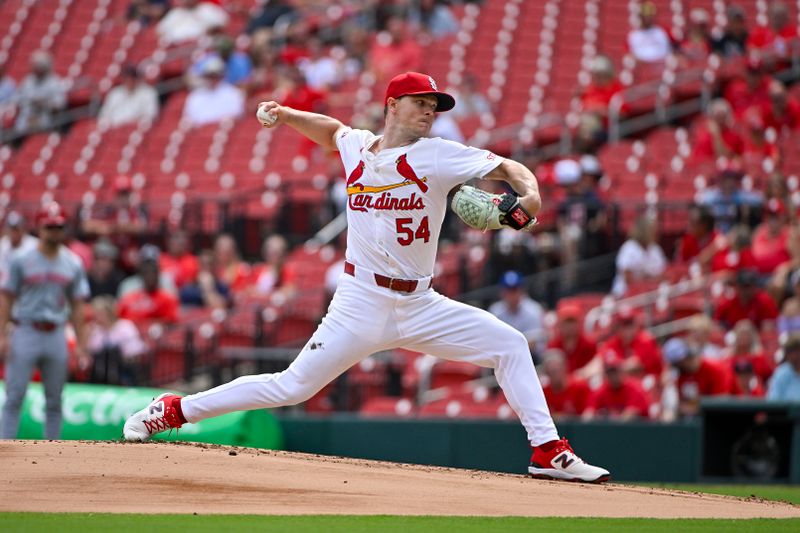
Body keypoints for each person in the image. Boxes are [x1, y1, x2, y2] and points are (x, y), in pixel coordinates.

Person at [123, 70, 610, 483]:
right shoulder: (358, 146)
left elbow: (509, 166)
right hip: (359, 300)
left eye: (434, 106)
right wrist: (288, 114)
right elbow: (331, 130)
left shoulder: (438, 153)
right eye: (420, 103)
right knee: (292, 387)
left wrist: (530, 197)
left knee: (510, 345)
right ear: (392, 105)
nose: (429, 112)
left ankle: (548, 452)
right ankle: (174, 409)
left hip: (420, 304)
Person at [0, 202, 89, 439]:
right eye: (49, 226)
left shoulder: (72, 262)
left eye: (58, 227)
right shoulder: (20, 259)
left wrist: (81, 345)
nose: (54, 232)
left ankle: (52, 452)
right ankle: (4, 449)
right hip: (25, 329)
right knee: (14, 396)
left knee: (54, 399)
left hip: (56, 332)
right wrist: (2, 334)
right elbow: (6, 297)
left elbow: (78, 306)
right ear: (39, 227)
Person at [663, 337, 731, 418]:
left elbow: (721, 401)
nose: (678, 366)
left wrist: (695, 408)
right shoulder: (682, 375)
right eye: (676, 364)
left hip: (719, 418)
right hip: (695, 420)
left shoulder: (714, 369)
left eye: (679, 362)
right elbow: (682, 403)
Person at [87, 295, 148, 385]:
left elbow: (134, 352)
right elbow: (91, 351)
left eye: (100, 313)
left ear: (109, 312)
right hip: (100, 375)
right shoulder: (96, 330)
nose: (96, 316)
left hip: (123, 372)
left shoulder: (125, 326)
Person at [488, 271, 547, 360]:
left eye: (514, 290)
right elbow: (491, 340)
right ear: (502, 292)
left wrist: (506, 345)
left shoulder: (534, 309)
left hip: (530, 357)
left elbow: (533, 343)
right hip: (502, 357)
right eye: (508, 290)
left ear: (522, 290)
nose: (512, 294)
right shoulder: (495, 311)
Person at [582, 350, 651, 421]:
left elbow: (631, 416)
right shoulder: (600, 391)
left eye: (615, 371)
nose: (613, 376)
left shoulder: (635, 388)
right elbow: (588, 414)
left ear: (622, 370)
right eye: (610, 372)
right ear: (605, 374)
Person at [117, 247, 179, 324]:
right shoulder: (130, 294)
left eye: (153, 272)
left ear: (158, 274)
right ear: (141, 274)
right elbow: (121, 317)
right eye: (146, 273)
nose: (150, 276)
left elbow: (172, 321)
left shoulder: (167, 296)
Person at [611, 214, 667, 297]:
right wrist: (648, 282)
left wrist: (648, 282)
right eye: (651, 230)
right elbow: (628, 279)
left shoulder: (655, 249)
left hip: (650, 294)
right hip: (625, 294)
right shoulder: (629, 248)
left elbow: (662, 276)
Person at [13, 51, 66, 135]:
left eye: (39, 66)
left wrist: (44, 103)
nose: (36, 68)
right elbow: (17, 100)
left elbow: (59, 104)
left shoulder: (54, 82)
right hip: (25, 122)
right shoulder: (28, 81)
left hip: (45, 121)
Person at [182, 57, 244, 126]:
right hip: (200, 132)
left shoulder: (234, 93)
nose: (212, 79)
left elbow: (236, 115)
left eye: (215, 75)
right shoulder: (195, 96)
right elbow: (189, 118)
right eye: (209, 75)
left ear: (221, 76)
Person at [714, 269, 779, 331]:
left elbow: (771, 325)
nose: (745, 291)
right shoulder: (729, 302)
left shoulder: (764, 301)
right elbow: (716, 323)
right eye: (742, 287)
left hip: (758, 339)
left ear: (754, 287)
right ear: (737, 287)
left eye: (748, 287)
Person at [98, 63, 159, 128]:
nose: (129, 81)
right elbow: (104, 115)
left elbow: (151, 115)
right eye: (126, 78)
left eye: (132, 78)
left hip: (136, 129)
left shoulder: (148, 92)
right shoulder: (115, 93)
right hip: (114, 130)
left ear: (137, 78)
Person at [540, 349, 591, 418]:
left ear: (564, 368)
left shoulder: (580, 387)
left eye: (557, 370)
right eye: (552, 372)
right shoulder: (543, 392)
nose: (555, 375)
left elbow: (588, 414)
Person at [0, 211, 38, 278]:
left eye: (16, 229)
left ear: (23, 229)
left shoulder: (34, 245)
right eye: (11, 229)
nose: (13, 232)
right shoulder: (3, 244)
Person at [767, 335, 800, 401]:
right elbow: (773, 401)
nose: (794, 356)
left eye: (797, 351)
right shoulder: (781, 373)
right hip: (786, 411)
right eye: (790, 352)